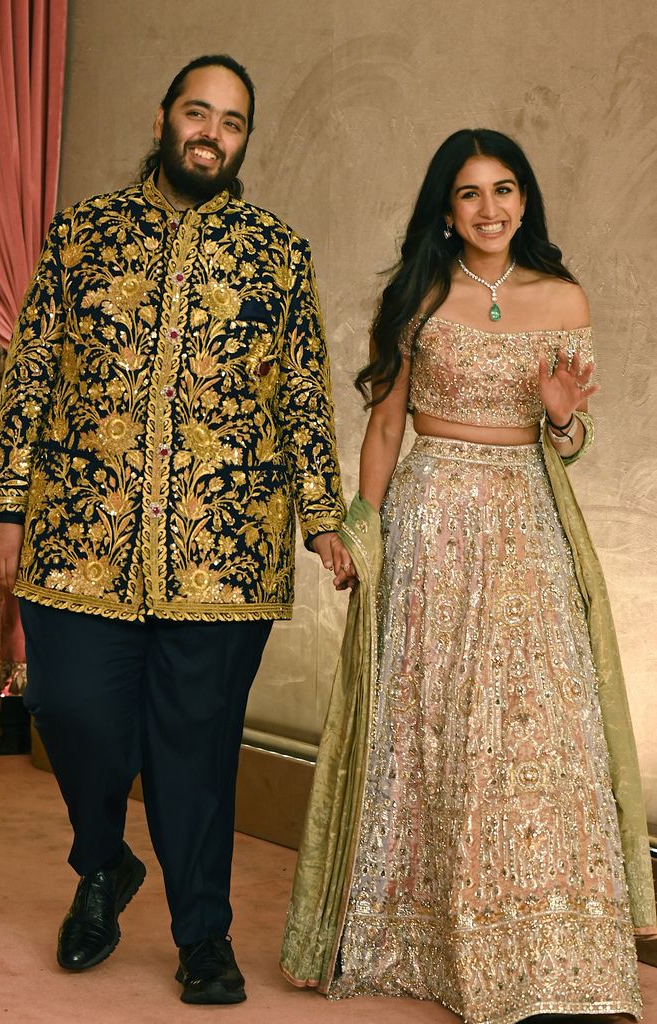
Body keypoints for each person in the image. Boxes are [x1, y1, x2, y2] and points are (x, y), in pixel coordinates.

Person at [0, 53, 351, 1006]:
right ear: (164, 119)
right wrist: (5, 503)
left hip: (223, 549)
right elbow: (29, 375)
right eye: (199, 113)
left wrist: (322, 519)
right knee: (69, 711)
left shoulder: (277, 250)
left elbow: (304, 394)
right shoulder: (83, 234)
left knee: (196, 750)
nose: (211, 133)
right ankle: (103, 863)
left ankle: (203, 938)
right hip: (77, 535)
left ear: (242, 142)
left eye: (231, 122)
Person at [280, 128, 656, 1023]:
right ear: (444, 213)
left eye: (505, 190)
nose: (490, 208)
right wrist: (359, 533)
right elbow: (382, 429)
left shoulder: (563, 298)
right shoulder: (417, 294)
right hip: (430, 516)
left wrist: (560, 421)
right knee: (431, 722)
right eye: (469, 194)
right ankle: (418, 940)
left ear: (525, 200)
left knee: (538, 726)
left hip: (524, 520)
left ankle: (559, 948)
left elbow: (570, 442)